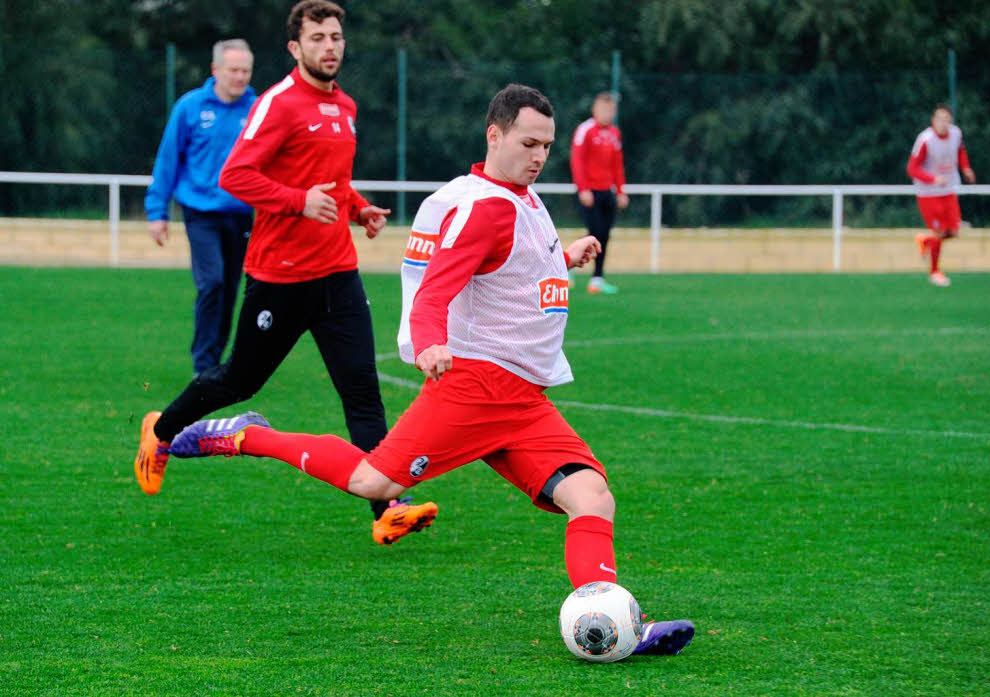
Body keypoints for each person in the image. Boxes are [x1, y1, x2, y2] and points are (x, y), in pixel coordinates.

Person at [170, 84, 695, 655]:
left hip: (522, 401)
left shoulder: (522, 199)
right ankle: (249, 435)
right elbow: (434, 291)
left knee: (592, 496)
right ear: (494, 135)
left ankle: (615, 624)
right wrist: (428, 345)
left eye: (547, 145)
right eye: (529, 143)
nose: (540, 156)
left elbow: (511, 265)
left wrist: (563, 256)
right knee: (375, 482)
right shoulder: (485, 209)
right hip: (477, 387)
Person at [134, 0, 434, 545]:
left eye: (336, 36)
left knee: (362, 391)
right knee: (238, 380)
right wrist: (298, 202)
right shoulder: (278, 103)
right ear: (295, 48)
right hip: (280, 276)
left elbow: (333, 181)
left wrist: (358, 207)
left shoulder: (345, 105)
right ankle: (161, 431)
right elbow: (235, 175)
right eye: (317, 37)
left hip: (338, 272)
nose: (330, 46)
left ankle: (387, 508)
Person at [144, 39, 257, 376]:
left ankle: (217, 361)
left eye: (246, 71)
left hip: (241, 214)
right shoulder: (190, 107)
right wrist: (156, 211)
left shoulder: (258, 109)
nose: (240, 77)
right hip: (200, 213)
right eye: (233, 70)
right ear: (215, 70)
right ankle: (203, 364)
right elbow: (168, 159)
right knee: (212, 283)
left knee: (230, 288)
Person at [907, 103, 976, 287]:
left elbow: (960, 152)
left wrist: (966, 168)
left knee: (953, 231)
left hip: (948, 189)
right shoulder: (925, 140)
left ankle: (925, 241)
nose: (943, 123)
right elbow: (912, 169)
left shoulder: (956, 134)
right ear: (933, 121)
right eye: (939, 119)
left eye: (946, 119)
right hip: (928, 193)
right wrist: (932, 179)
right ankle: (934, 272)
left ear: (950, 121)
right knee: (939, 232)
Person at [570, 92, 629, 295]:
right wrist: (583, 188)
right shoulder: (585, 130)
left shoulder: (614, 133)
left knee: (603, 234)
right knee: (596, 232)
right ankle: (566, 264)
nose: (608, 113)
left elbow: (617, 164)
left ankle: (597, 279)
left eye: (611, 110)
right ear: (594, 110)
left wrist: (621, 190)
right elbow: (577, 161)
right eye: (604, 109)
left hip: (608, 192)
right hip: (590, 192)